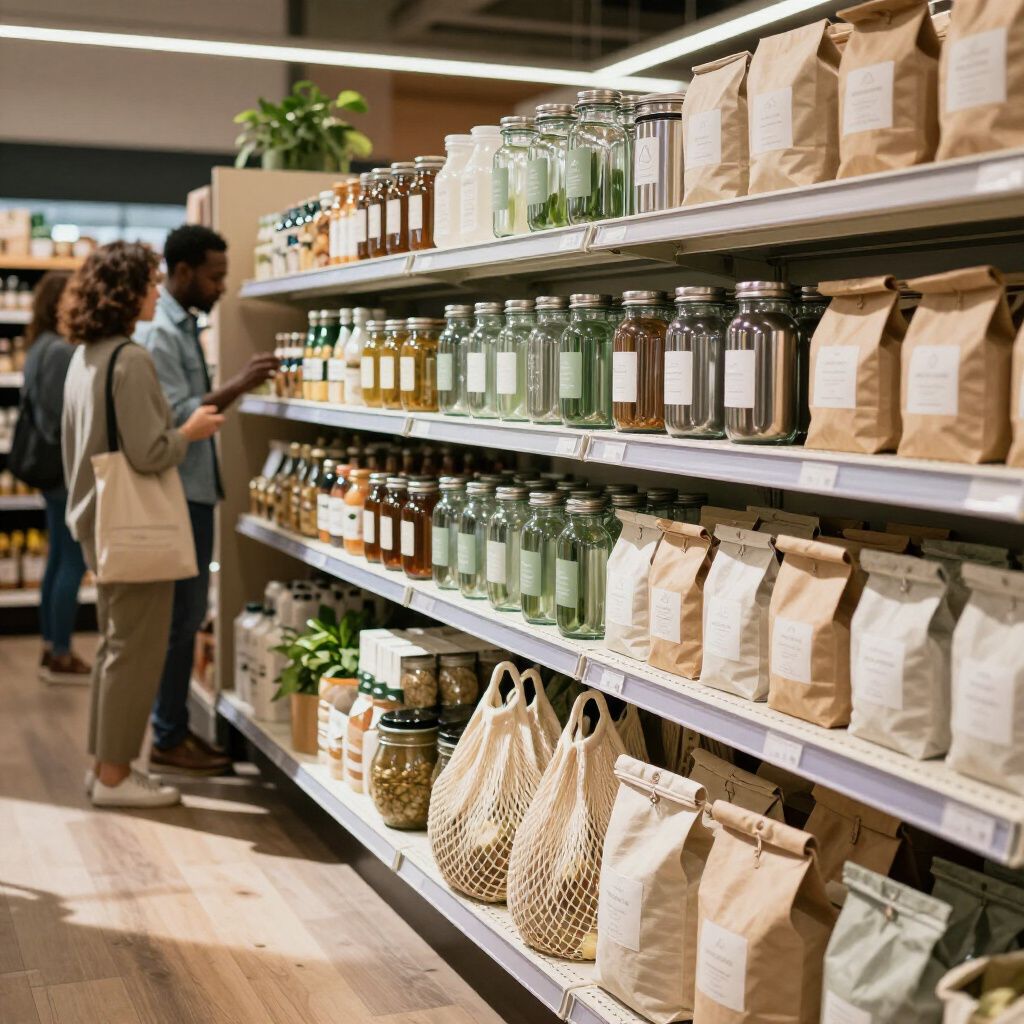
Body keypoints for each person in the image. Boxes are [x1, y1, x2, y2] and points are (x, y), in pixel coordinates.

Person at [61, 241, 224, 808]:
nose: (157, 292)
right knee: (137, 650)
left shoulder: (85, 356)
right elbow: (151, 452)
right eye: (149, 283)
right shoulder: (129, 359)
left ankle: (106, 766)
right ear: (126, 293)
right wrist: (192, 432)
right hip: (132, 527)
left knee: (115, 645)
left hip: (96, 521)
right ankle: (114, 778)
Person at [138, 225, 276, 776]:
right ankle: (168, 737)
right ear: (184, 271)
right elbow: (180, 417)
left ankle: (171, 729)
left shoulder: (184, 326)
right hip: (178, 493)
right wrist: (240, 383)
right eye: (216, 276)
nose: (222, 286)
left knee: (187, 615)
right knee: (183, 618)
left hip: (194, 490)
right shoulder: (162, 336)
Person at [20, 271, 91, 683]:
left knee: (56, 559)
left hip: (48, 473)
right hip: (65, 471)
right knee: (71, 560)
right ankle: (62, 653)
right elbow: (61, 418)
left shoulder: (37, 347)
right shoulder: (61, 351)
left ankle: (51, 645)